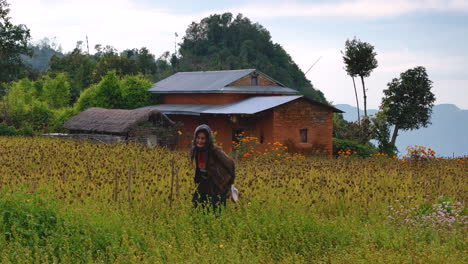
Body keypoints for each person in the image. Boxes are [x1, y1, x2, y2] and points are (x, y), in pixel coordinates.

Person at [190, 124, 235, 213]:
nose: (199, 141)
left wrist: (230, 184)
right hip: (204, 184)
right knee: (196, 207)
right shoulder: (196, 150)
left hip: (217, 186)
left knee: (216, 213)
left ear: (208, 140)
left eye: (203, 138)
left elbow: (230, 164)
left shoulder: (215, 150)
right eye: (198, 138)